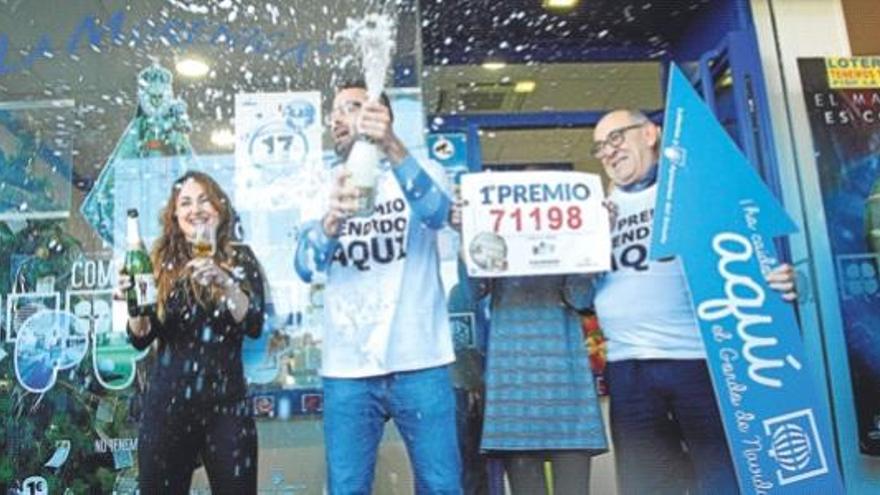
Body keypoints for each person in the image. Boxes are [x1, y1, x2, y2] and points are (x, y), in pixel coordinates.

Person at [591, 109, 798, 494]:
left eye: (616, 138)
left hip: (700, 359)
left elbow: (742, 254)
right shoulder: (595, 209)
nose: (608, 151)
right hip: (627, 366)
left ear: (650, 134)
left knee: (723, 478)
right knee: (647, 486)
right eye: (600, 146)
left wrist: (777, 280)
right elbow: (577, 289)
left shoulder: (693, 192)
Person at [294, 81, 461, 494]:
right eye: (335, 112)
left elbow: (438, 214)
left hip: (421, 359)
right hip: (347, 369)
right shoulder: (321, 186)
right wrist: (330, 223)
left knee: (442, 486)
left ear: (380, 116)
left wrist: (393, 146)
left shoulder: (423, 169)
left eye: (351, 107)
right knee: (347, 488)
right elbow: (304, 266)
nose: (337, 118)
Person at [450, 166, 608, 495]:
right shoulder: (496, 243)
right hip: (515, 389)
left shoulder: (569, 243)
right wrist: (468, 239)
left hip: (565, 385)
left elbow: (581, 298)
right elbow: (473, 290)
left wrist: (590, 243)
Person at [118, 171, 265, 494]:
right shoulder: (158, 261)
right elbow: (141, 335)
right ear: (174, 215)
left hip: (227, 408)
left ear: (219, 208)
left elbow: (253, 324)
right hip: (167, 407)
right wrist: (134, 306)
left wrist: (225, 282)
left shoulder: (240, 258)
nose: (195, 209)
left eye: (204, 200)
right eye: (185, 202)